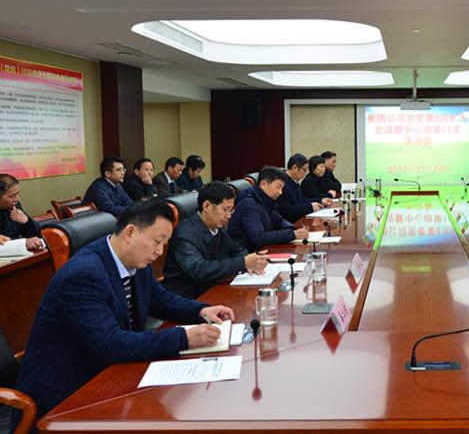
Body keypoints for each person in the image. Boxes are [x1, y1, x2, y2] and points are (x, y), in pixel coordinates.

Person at [17, 199, 234, 417]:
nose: (160, 251)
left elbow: (160, 300)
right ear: (130, 232)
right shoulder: (83, 275)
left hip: (108, 374)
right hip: (65, 394)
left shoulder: (133, 259)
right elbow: (110, 343)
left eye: (164, 244)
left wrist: (200, 310)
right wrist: (183, 338)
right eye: (157, 241)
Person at [162, 182, 270, 298]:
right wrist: (243, 263)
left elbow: (237, 250)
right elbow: (199, 270)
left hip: (211, 288)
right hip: (187, 297)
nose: (229, 216)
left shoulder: (217, 226)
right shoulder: (185, 233)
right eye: (225, 209)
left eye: (231, 210)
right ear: (207, 206)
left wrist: (249, 261)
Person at [229, 167, 310, 251]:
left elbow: (280, 220)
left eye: (282, 188)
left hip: (262, 250)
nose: (280, 192)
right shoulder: (249, 204)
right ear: (263, 184)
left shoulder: (266, 200)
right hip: (248, 254)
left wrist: (292, 229)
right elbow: (259, 238)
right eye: (278, 187)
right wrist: (292, 234)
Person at [276, 154, 334, 223]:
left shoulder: (294, 182)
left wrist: (321, 200)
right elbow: (285, 210)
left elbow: (302, 200)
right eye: (304, 170)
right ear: (295, 167)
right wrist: (309, 207)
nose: (305, 173)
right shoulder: (281, 184)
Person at [0, 174, 43, 251]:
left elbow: (40, 233)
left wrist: (27, 222)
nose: (16, 199)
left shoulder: (14, 206)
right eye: (11, 196)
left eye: (17, 193)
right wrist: (23, 242)